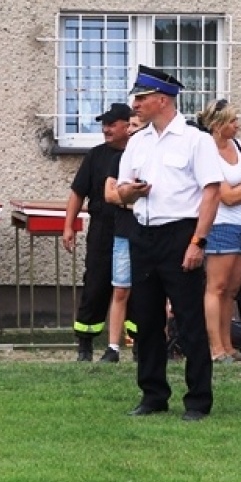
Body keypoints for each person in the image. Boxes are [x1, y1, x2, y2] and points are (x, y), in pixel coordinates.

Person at [113, 66, 222, 421]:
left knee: (190, 322)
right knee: (145, 321)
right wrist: (128, 192)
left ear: (162, 100)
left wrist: (198, 242)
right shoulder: (139, 141)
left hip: (180, 233)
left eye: (142, 98)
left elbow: (211, 193)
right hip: (143, 233)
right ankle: (153, 394)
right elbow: (120, 192)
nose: (136, 104)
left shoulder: (196, 140)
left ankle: (198, 400)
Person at [64, 102, 135, 362]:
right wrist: (68, 225)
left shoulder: (139, 153)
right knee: (95, 284)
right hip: (103, 228)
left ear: (127, 126)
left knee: (134, 287)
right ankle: (85, 344)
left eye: (111, 124)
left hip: (132, 227)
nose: (106, 129)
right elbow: (77, 193)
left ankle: (137, 343)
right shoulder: (96, 155)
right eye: (103, 125)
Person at [199, 99, 241, 363]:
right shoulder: (207, 152)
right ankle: (215, 348)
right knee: (217, 287)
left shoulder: (239, 146)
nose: (237, 125)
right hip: (219, 224)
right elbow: (224, 196)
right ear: (217, 125)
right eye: (232, 121)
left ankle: (229, 347)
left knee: (231, 290)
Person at [100, 111, 145, 363]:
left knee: (155, 291)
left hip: (151, 231)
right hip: (124, 233)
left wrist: (127, 197)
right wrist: (132, 198)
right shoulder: (119, 159)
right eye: (130, 126)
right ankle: (113, 347)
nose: (131, 131)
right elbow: (110, 195)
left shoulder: (154, 157)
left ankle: (155, 343)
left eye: (136, 126)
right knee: (120, 289)